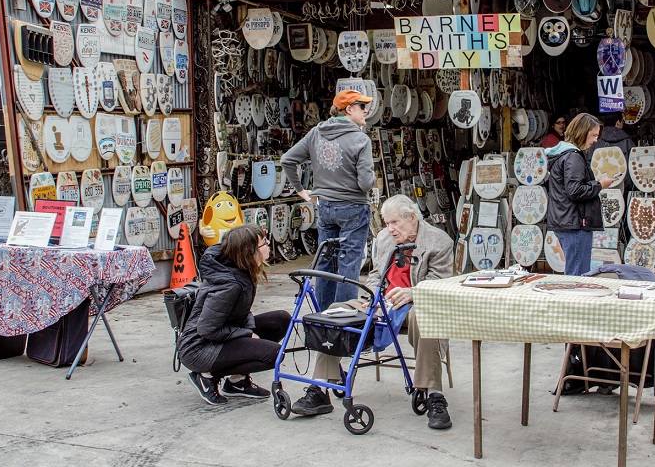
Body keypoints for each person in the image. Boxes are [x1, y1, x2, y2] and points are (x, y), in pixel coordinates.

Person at [291, 195, 455, 430]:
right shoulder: (385, 238)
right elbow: (376, 274)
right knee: (334, 313)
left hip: (416, 303)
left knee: (424, 318)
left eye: (395, 223)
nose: (390, 229)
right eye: (387, 223)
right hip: (382, 303)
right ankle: (319, 389)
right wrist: (371, 298)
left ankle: (434, 395)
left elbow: (441, 283)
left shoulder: (438, 241)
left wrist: (413, 292)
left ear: (411, 218)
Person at [281, 89, 376, 310]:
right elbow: (365, 184)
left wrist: (300, 190)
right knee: (349, 263)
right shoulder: (360, 139)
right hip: (353, 206)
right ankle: (344, 315)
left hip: (325, 206)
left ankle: (324, 316)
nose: (366, 111)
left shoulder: (317, 133)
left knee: (325, 261)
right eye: (362, 106)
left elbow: (287, 159)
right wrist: (370, 176)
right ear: (349, 109)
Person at [178, 224, 291, 405]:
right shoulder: (230, 285)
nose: (268, 245)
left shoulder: (241, 270)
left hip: (220, 335)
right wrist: (247, 334)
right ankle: (206, 376)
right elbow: (207, 329)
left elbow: (241, 311)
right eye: (264, 243)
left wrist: (247, 330)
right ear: (249, 251)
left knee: (281, 320)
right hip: (198, 348)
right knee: (274, 355)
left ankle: (237, 382)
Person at [545, 113, 615, 277]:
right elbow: (575, 191)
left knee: (574, 271)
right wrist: (599, 185)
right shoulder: (573, 157)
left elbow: (570, 187)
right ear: (583, 132)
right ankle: (571, 302)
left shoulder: (562, 154)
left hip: (565, 220)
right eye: (594, 135)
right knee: (577, 274)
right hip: (574, 222)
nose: (595, 140)